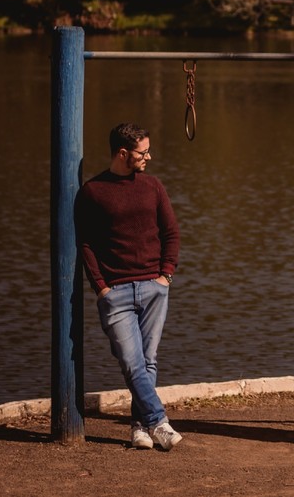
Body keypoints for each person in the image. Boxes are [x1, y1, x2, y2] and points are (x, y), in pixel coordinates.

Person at [75, 122, 182, 451]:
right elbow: (86, 244)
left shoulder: (152, 186)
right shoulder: (93, 192)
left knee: (148, 361)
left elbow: (171, 233)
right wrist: (101, 288)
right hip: (116, 293)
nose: (148, 157)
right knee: (132, 362)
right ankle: (158, 422)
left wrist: (165, 275)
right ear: (123, 153)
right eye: (143, 152)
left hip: (154, 287)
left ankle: (139, 427)